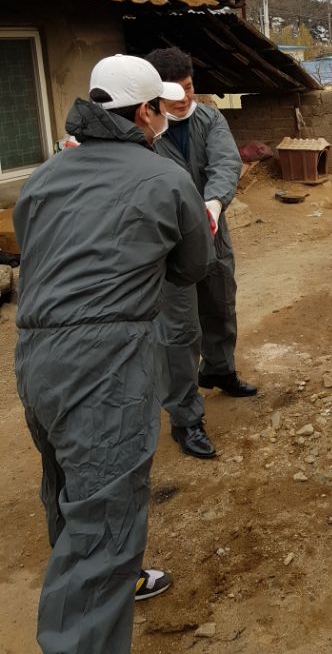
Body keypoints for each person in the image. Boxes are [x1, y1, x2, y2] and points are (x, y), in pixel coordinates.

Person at [14, 55, 215, 654]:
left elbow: (36, 248)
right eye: (160, 108)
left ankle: (105, 585)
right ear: (146, 111)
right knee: (104, 517)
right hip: (105, 360)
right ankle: (87, 620)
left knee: (67, 484)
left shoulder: (45, 175)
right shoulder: (164, 177)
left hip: (35, 354)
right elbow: (193, 266)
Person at [144, 47, 256, 460]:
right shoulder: (145, 130)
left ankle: (219, 370)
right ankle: (185, 417)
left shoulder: (209, 119)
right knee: (177, 331)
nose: (183, 98)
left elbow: (225, 163)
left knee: (220, 304)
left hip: (212, 231)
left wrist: (213, 204)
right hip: (169, 245)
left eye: (189, 88)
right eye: (173, 92)